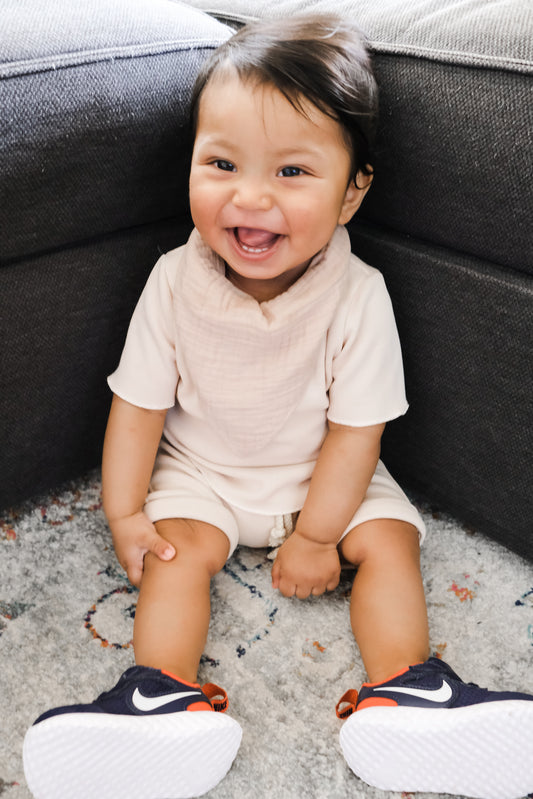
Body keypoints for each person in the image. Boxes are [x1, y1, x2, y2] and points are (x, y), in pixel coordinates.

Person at [23, 14, 533, 799]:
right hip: (205, 471)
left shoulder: (358, 296)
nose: (250, 197)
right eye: (221, 163)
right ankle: (158, 693)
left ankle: (411, 687)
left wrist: (321, 534)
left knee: (390, 541)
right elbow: (137, 407)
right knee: (174, 556)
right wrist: (125, 512)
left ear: (351, 192)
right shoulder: (172, 279)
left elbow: (357, 429)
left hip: (325, 472)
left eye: (292, 173)